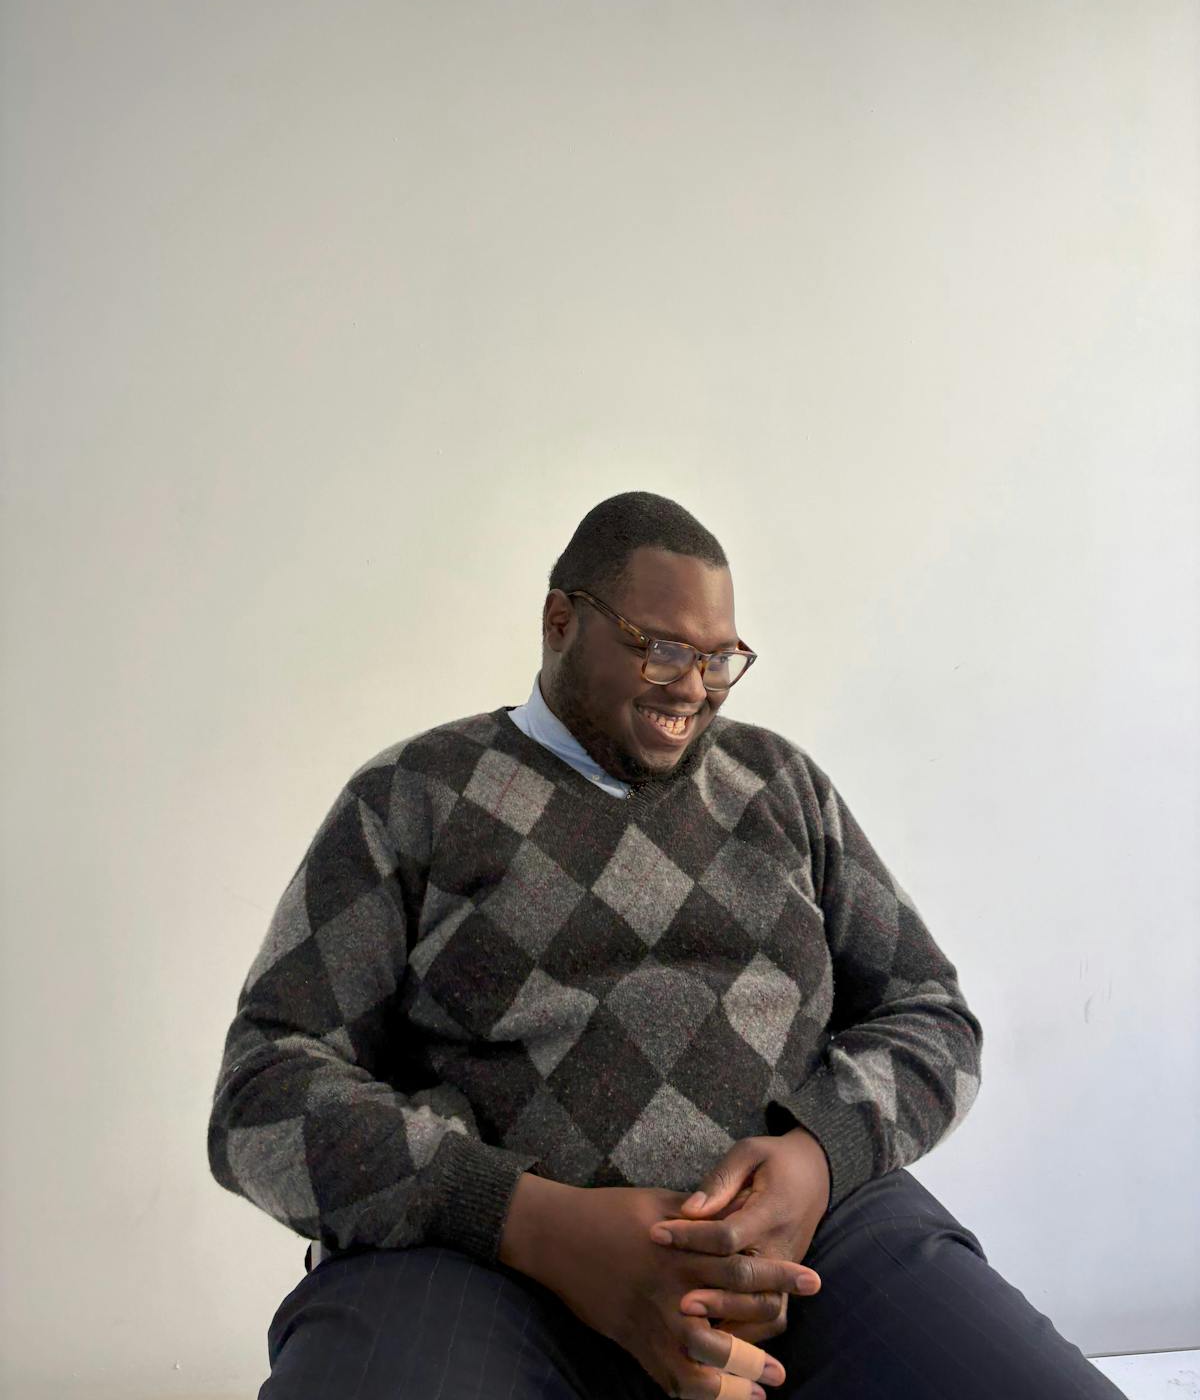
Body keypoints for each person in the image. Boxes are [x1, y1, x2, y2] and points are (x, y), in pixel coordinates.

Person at [208, 491, 1123, 1399]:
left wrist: (819, 1156)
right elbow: (263, 1092)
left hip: (807, 1244)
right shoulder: (413, 796)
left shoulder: (779, 785)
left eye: (720, 659)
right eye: (662, 648)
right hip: (485, 1265)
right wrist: (527, 1220)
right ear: (560, 622)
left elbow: (931, 1014)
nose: (694, 686)